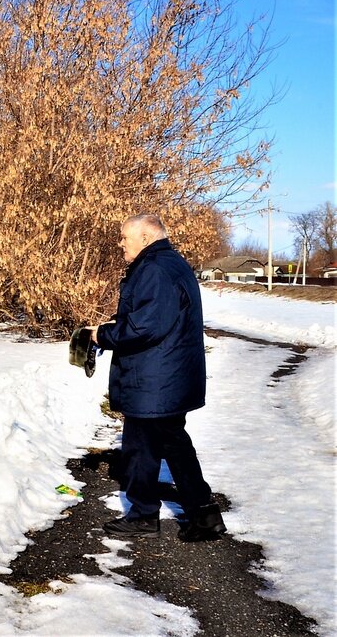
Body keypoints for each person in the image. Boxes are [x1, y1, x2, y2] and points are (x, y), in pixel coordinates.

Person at [86, 213, 227, 542]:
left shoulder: (154, 268)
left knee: (143, 448)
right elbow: (152, 315)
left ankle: (146, 517)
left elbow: (146, 326)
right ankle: (200, 515)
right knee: (169, 445)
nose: (120, 243)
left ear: (146, 237)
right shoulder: (168, 263)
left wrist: (103, 335)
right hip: (166, 377)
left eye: (124, 237)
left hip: (155, 380)